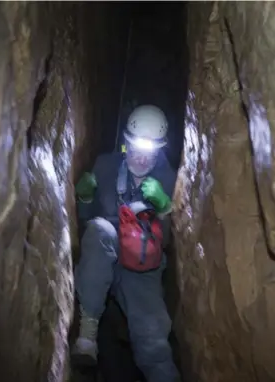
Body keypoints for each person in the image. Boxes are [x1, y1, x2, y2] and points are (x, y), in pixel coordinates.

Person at [71, 105, 180, 382]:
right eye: (137, 148)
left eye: (150, 151)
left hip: (143, 265)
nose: (142, 158)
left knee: (153, 340)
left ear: (159, 151)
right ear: (126, 143)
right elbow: (87, 226)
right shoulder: (106, 166)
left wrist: (165, 208)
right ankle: (88, 333)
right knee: (100, 229)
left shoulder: (167, 178)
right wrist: (84, 199)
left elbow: (167, 240)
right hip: (105, 255)